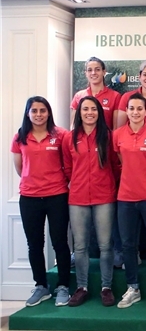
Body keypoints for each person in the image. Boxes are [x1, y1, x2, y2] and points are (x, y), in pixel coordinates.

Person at [12, 97, 71, 307]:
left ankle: (63, 286)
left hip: (57, 195)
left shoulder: (61, 135)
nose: (38, 114)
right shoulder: (20, 137)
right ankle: (41, 286)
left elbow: (68, 163)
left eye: (42, 110)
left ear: (49, 113)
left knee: (60, 242)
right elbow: (20, 168)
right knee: (34, 245)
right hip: (29, 197)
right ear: (28, 113)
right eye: (34, 110)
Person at [113, 93, 146, 311]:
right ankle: (133, 288)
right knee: (128, 245)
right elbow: (120, 161)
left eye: (139, 108)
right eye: (131, 108)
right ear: (127, 111)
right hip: (125, 198)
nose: (135, 112)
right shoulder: (117, 135)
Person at [62, 96, 118, 307]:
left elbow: (115, 165)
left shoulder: (107, 137)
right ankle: (82, 287)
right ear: (79, 112)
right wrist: (77, 182)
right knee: (81, 246)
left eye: (93, 109)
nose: (89, 113)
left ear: (99, 112)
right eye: (85, 109)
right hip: (77, 198)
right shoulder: (69, 138)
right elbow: (67, 168)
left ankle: (106, 287)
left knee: (105, 245)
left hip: (104, 196)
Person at [71, 57, 120, 129]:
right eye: (90, 70)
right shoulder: (79, 96)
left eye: (97, 70)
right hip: (83, 139)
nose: (93, 73)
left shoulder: (115, 96)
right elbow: (73, 125)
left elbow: (116, 127)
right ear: (86, 73)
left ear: (104, 72)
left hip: (105, 139)